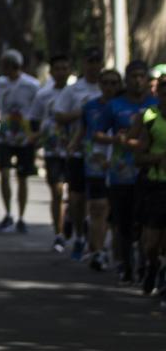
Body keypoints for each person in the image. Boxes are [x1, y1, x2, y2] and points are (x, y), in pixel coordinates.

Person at [105, 60, 158, 284]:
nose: (137, 80)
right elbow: (97, 133)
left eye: (141, 76)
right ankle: (125, 264)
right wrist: (118, 140)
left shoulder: (156, 105)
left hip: (149, 172)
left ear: (147, 80)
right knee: (123, 223)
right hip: (121, 172)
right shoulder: (114, 105)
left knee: (147, 222)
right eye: (133, 76)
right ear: (126, 80)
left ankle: (147, 264)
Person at [52, 48, 104, 260]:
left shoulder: (108, 87)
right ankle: (80, 236)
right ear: (84, 64)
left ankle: (98, 244)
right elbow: (59, 115)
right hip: (78, 152)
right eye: (90, 61)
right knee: (76, 197)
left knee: (99, 201)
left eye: (97, 61)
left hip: (102, 154)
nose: (93, 65)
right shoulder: (73, 90)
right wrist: (83, 113)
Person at [69, 69, 122, 272]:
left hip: (122, 165)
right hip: (96, 163)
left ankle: (119, 253)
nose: (110, 87)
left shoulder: (125, 106)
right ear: (99, 85)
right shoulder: (90, 107)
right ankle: (97, 251)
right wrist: (73, 145)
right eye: (106, 83)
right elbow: (82, 131)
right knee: (97, 207)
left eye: (114, 83)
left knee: (116, 212)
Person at [27, 55, 74, 252]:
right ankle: (59, 233)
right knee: (56, 191)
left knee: (75, 194)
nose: (61, 72)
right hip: (53, 149)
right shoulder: (43, 94)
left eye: (65, 68)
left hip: (75, 150)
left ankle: (72, 218)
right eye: (58, 69)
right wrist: (35, 136)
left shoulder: (76, 93)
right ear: (52, 72)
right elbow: (34, 119)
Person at [0, 49, 41, 233]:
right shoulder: (0, 83)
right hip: (5, 134)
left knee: (22, 177)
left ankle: (21, 216)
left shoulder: (32, 85)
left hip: (24, 135)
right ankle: (8, 214)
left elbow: (38, 110)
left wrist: (36, 135)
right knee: (4, 173)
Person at [127, 75, 166, 302]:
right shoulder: (150, 118)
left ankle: (162, 273)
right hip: (155, 185)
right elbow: (139, 157)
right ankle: (152, 265)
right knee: (151, 242)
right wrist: (157, 157)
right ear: (158, 94)